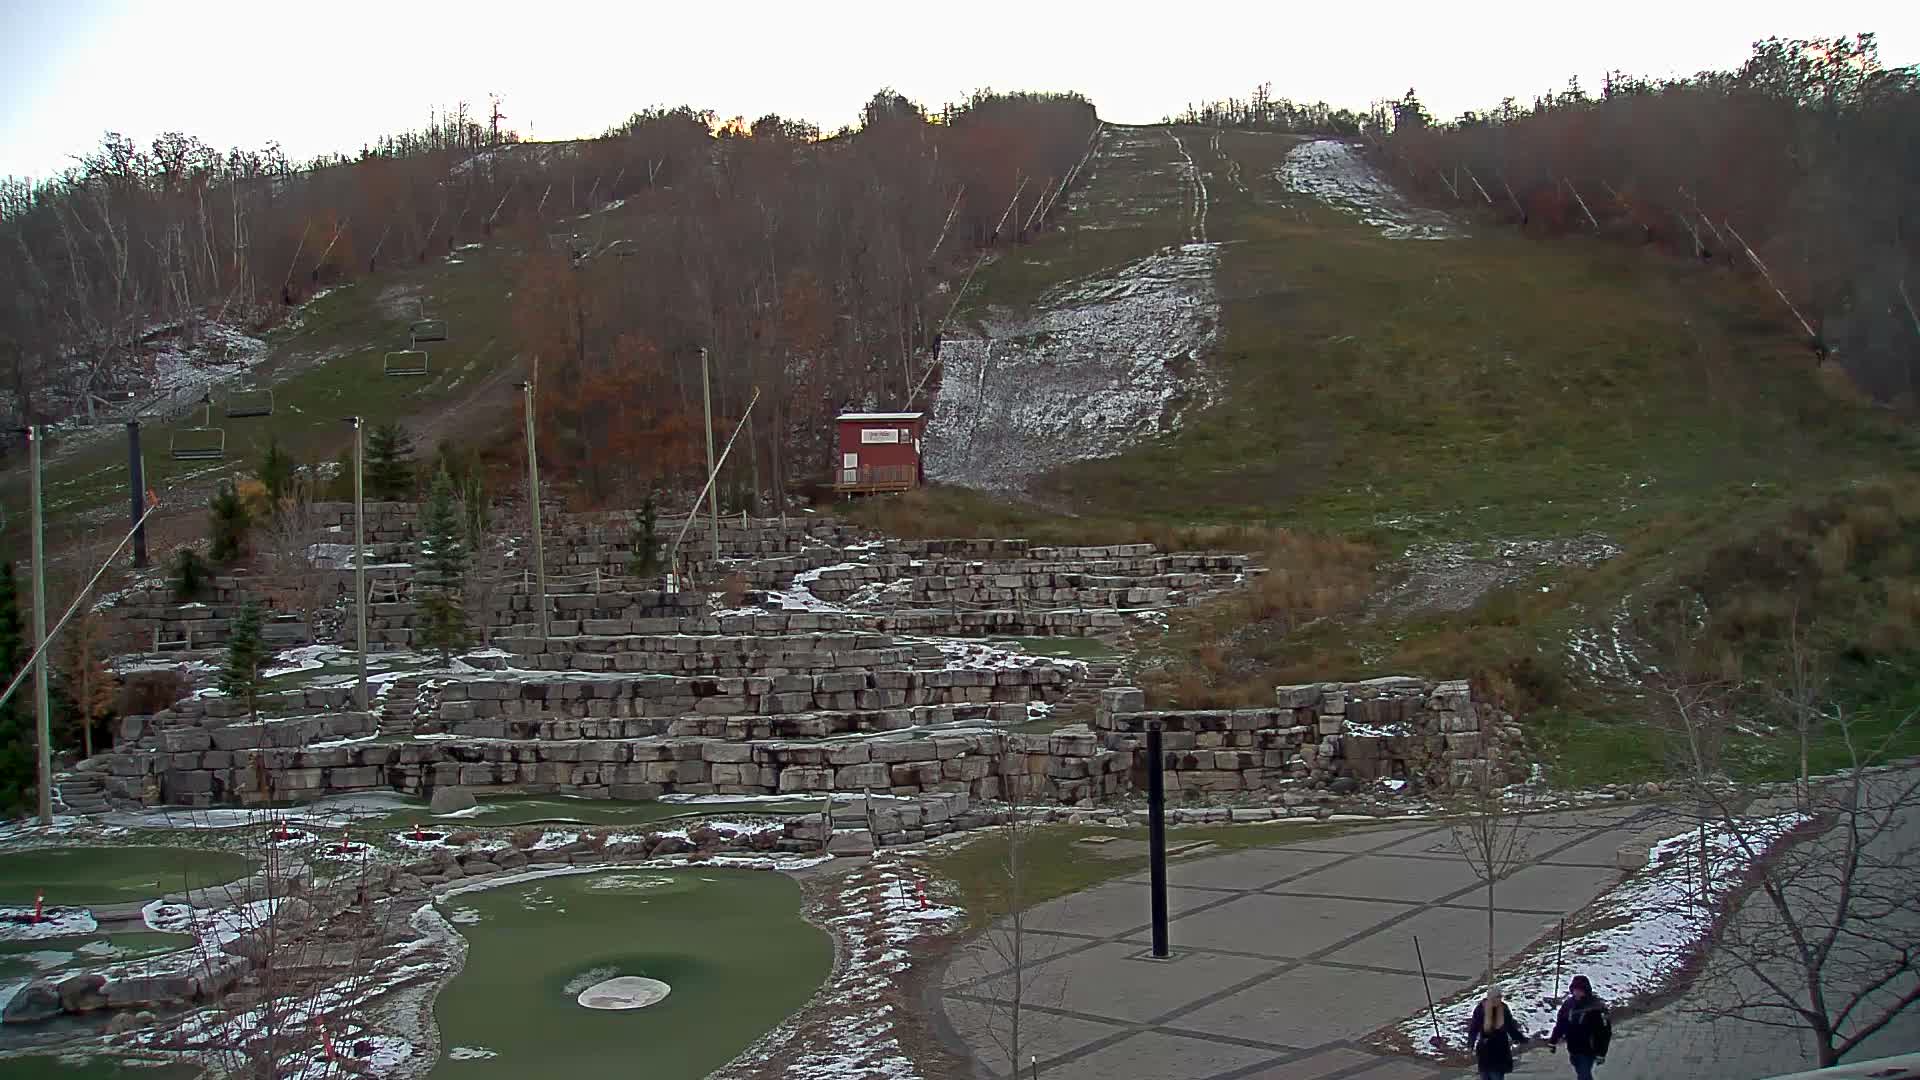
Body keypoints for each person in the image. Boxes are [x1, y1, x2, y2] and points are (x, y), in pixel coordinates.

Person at [1548, 974, 1612, 1080]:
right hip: (1573, 1048)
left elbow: (1604, 1032)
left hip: (1588, 1049)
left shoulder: (1595, 1007)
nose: (1577, 993)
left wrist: (1601, 1053)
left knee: (1584, 1075)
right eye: (1575, 990)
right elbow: (1561, 1024)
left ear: (1586, 990)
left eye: (1580, 990)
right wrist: (1553, 1041)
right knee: (1580, 1072)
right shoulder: (1569, 1004)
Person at [1466, 986, 1529, 1080]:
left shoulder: (1503, 1009)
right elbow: (1474, 1029)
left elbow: (1510, 1027)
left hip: (1499, 1050)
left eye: (1500, 997)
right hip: (1485, 1050)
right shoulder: (1481, 1009)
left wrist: (1521, 1039)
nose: (1499, 999)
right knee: (1486, 1076)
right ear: (1490, 997)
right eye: (1496, 997)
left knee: (1496, 1075)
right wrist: (1470, 1045)